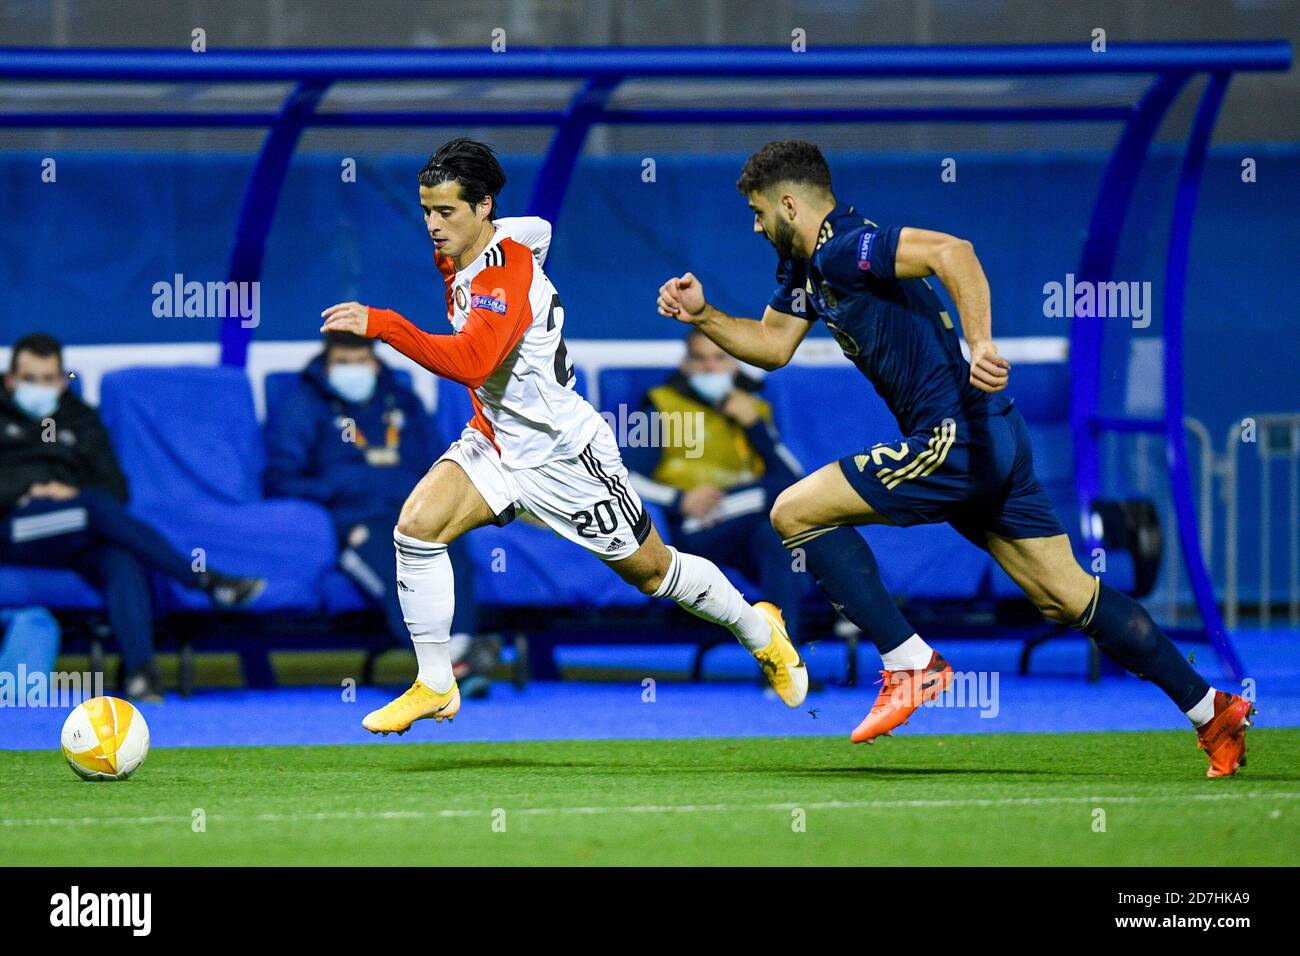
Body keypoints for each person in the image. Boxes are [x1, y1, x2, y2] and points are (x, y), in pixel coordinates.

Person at [656, 139, 1252, 778]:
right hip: (991, 437)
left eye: (757, 211)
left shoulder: (846, 247)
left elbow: (953, 252)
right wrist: (705, 316)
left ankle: (908, 662)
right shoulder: (807, 271)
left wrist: (981, 346)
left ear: (789, 204)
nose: (754, 225)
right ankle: (1209, 709)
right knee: (1065, 595)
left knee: (794, 512)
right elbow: (773, 346)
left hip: (954, 437)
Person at [320, 138, 806, 735]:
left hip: (564, 456)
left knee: (653, 574)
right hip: (496, 442)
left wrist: (385, 324)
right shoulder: (484, 244)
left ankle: (761, 631)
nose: (433, 226)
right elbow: (541, 229)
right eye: (426, 210)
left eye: (446, 212)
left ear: (483, 208)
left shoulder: (504, 270)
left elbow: (473, 362)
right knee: (416, 527)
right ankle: (435, 683)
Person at [0, 333, 265, 699]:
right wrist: (31, 488)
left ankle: (141, 674)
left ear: (62, 381)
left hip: (75, 529)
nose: (41, 388)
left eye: (49, 379)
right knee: (94, 509)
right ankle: (205, 581)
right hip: (14, 528)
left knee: (121, 557)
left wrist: (71, 495)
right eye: (31, 379)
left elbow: (116, 489)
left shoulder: (80, 419)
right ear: (11, 380)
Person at [263, 330, 496, 696]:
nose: (352, 370)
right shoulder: (304, 405)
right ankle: (454, 665)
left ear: (374, 361)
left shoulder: (403, 401)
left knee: (453, 555)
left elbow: (439, 464)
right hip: (358, 521)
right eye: (342, 363)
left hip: (415, 512)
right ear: (327, 363)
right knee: (397, 574)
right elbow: (279, 479)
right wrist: (339, 487)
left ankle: (459, 652)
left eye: (360, 362)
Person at [623, 329, 810, 644]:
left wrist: (755, 428)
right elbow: (623, 476)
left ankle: (781, 658)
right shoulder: (661, 407)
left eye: (720, 359)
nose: (710, 368)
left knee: (775, 538)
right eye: (700, 359)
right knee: (778, 497)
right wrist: (678, 498)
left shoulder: (754, 410)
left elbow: (794, 479)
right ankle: (845, 598)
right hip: (698, 527)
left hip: (748, 529)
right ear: (686, 366)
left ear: (736, 365)